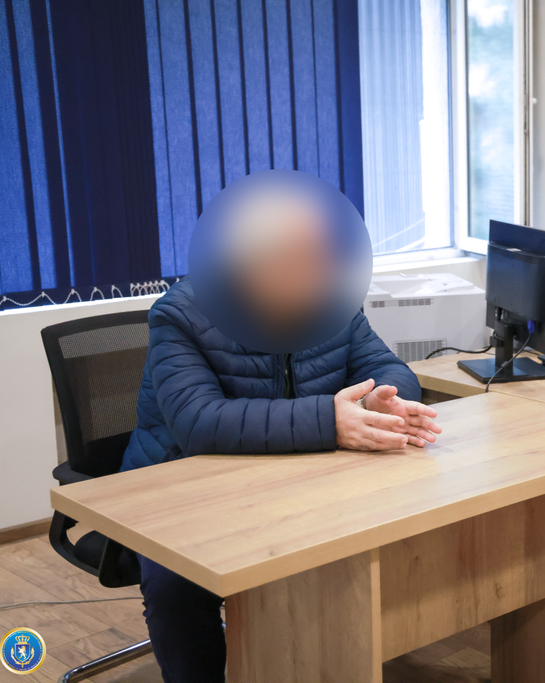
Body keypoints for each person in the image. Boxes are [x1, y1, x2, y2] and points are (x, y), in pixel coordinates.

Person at [121, 198, 441, 683]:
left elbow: (387, 367)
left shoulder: (330, 300)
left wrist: (381, 399)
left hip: (297, 477)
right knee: (176, 588)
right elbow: (199, 421)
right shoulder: (182, 313)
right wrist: (330, 421)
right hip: (184, 489)